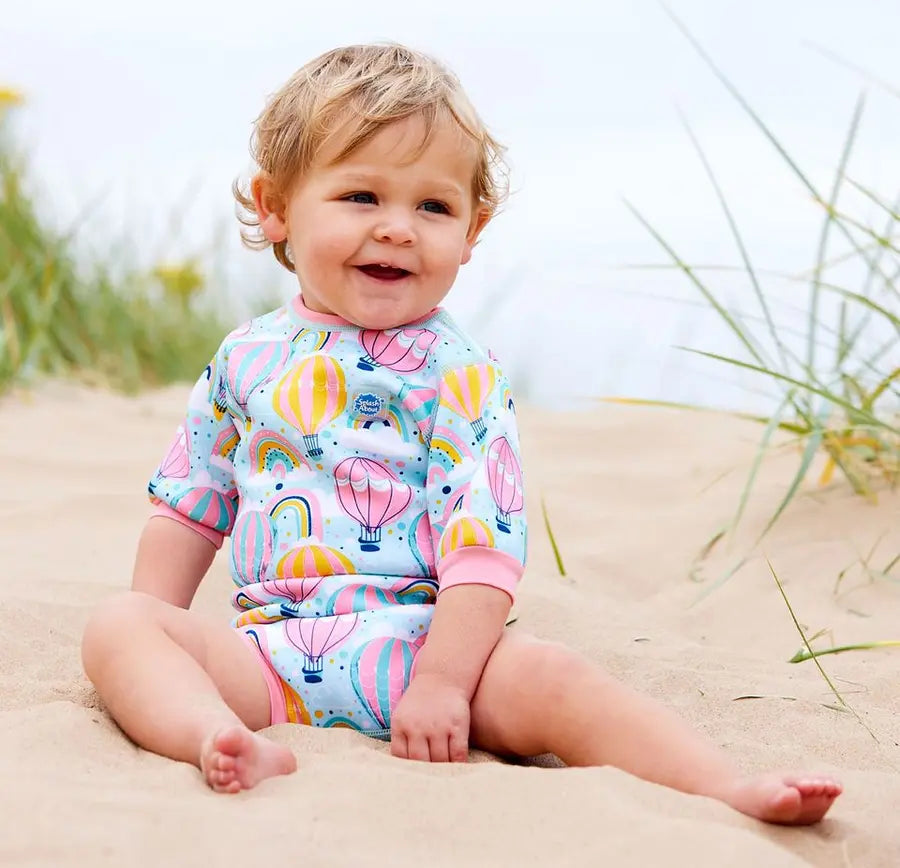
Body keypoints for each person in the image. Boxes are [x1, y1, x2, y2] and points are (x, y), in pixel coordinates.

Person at [81, 43, 841, 824]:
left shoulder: (459, 372)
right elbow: (188, 502)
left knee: (557, 678)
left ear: (472, 231)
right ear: (276, 205)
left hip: (423, 648)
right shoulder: (244, 357)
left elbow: (484, 540)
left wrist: (443, 680)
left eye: (433, 208)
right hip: (269, 657)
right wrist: (164, 633)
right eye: (361, 196)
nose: (398, 230)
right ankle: (211, 732)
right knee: (120, 627)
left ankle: (723, 787)